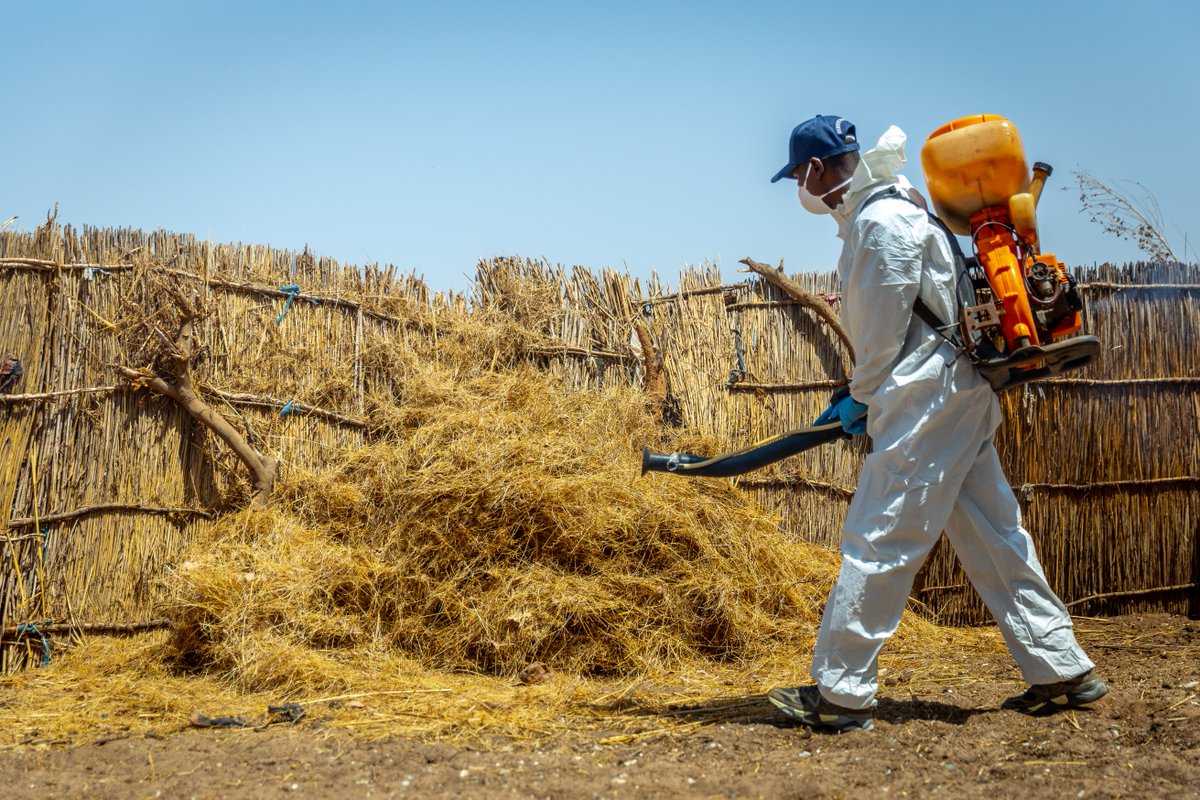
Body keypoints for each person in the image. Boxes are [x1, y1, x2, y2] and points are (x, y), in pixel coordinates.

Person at [764, 115, 1107, 733]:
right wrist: (864, 394)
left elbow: (878, 336)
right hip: (958, 393)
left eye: (798, 175)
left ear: (817, 169)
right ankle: (1062, 670)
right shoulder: (905, 209)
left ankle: (840, 694)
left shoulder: (878, 223)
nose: (799, 188)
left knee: (878, 539)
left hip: (924, 402)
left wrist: (861, 398)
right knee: (995, 536)